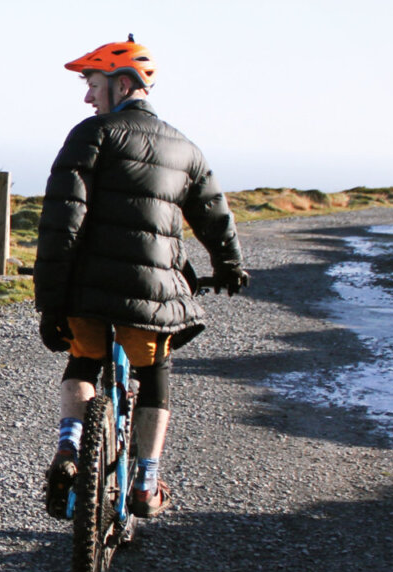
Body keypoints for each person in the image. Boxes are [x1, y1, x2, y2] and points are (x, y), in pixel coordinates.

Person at [31, 36, 247, 519]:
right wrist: (229, 265)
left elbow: (60, 222)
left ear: (122, 84)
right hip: (152, 296)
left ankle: (69, 448)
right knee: (153, 375)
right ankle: (146, 483)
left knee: (83, 363)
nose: (88, 97)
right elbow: (214, 215)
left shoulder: (92, 134)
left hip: (89, 292)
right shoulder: (185, 148)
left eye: (93, 84)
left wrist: (51, 302)